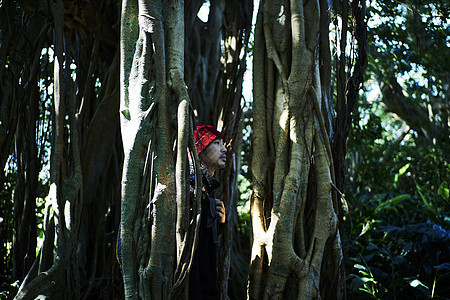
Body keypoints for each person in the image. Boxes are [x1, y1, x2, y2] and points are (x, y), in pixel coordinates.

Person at [189, 124, 227, 299]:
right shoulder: (190, 188)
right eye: (216, 143)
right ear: (200, 150)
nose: (224, 148)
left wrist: (218, 223)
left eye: (223, 143)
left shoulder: (207, 190)